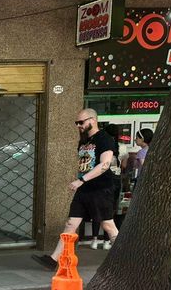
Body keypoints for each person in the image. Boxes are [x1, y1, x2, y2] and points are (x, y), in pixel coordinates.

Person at [32, 108, 119, 270]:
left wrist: (81, 180)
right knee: (71, 223)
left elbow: (105, 164)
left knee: (107, 224)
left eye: (81, 122)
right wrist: (82, 181)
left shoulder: (104, 138)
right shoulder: (84, 141)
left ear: (92, 120)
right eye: (76, 123)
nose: (78, 125)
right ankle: (53, 259)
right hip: (84, 188)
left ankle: (123, 259)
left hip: (100, 188)